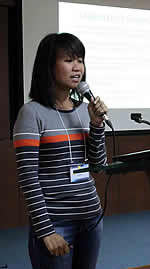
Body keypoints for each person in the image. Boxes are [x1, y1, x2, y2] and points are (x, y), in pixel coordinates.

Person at [13, 32, 108, 269]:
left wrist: (96, 124)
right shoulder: (32, 113)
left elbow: (97, 164)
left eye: (80, 60)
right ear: (48, 65)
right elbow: (28, 178)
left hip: (91, 218)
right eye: (68, 60)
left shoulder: (85, 110)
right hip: (56, 223)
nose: (77, 68)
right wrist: (46, 230)